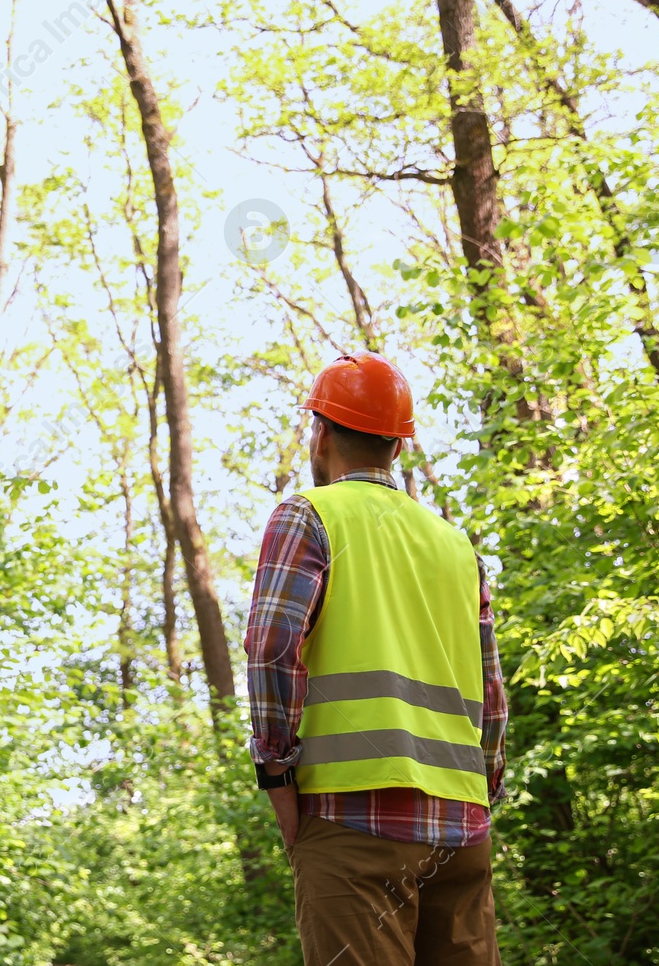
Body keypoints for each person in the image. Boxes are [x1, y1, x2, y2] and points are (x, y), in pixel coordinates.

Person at [244, 352, 507, 966]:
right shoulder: (455, 545)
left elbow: (272, 649)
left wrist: (277, 777)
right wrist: (480, 795)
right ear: (396, 445)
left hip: (351, 819)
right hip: (462, 828)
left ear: (322, 431)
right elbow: (491, 696)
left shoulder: (308, 516)